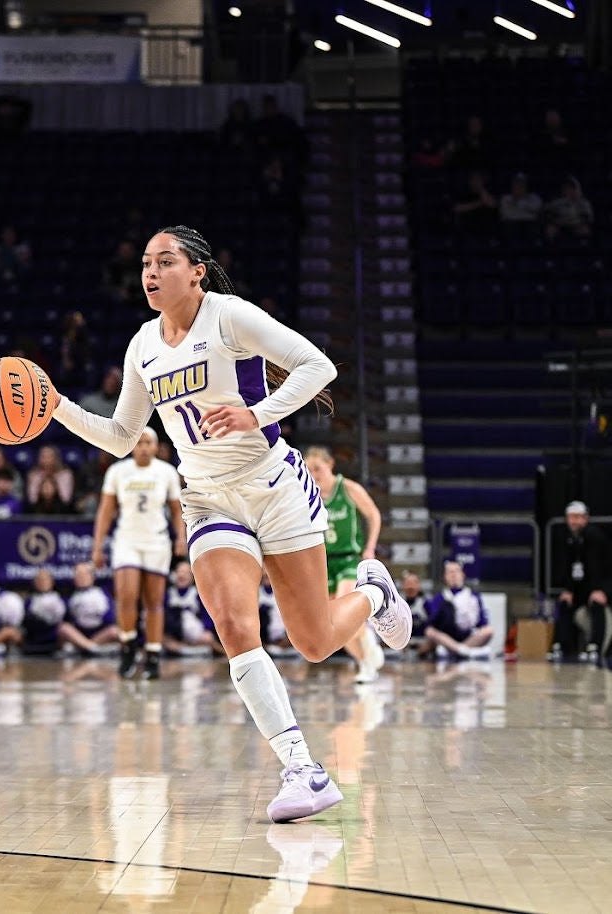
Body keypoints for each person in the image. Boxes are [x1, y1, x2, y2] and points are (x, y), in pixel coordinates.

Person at [48, 224, 413, 823]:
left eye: (165, 261)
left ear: (196, 271)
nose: (151, 272)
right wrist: (57, 407)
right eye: (145, 262)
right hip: (208, 499)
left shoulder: (228, 316)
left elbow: (316, 367)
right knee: (235, 624)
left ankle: (373, 592)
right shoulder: (142, 345)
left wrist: (256, 413)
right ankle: (302, 768)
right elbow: (119, 437)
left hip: (273, 486)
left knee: (315, 643)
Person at [92, 428, 186, 680]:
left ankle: (153, 654)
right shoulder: (118, 471)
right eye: (139, 442)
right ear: (132, 446)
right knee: (127, 596)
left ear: (156, 447)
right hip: (127, 541)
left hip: (157, 542)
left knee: (154, 601)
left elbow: (177, 510)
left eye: (148, 443)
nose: (143, 447)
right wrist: (97, 546)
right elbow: (105, 511)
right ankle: (128, 645)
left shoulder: (166, 472)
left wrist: (181, 537)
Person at [304, 446, 387, 685]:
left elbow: (373, 514)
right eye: (309, 469)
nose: (314, 474)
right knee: (332, 623)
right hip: (324, 562)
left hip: (350, 558)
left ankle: (369, 645)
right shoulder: (307, 494)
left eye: (317, 468)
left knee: (342, 605)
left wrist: (370, 546)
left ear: (330, 464)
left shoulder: (348, 488)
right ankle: (365, 661)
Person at [550, 501, 612, 662]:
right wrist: (568, 589)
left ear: (585, 518)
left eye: (576, 517)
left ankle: (595, 645)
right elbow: (570, 568)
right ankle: (560, 644)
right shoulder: (569, 539)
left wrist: (601, 590)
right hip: (581, 586)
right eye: (569, 517)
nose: (572, 521)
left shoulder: (594, 536)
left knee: (596, 604)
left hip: (602, 584)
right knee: (565, 603)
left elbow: (599, 568)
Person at [419, 560, 494, 660]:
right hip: (447, 637)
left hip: (468, 636)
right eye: (450, 572)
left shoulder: (473, 596)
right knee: (430, 632)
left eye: (457, 571)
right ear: (445, 576)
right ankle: (463, 651)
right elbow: (432, 623)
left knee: (488, 631)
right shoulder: (439, 597)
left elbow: (482, 622)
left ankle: (455, 651)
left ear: (463, 574)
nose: (454, 575)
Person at [163, 558, 223, 656]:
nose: (182, 575)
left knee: (208, 638)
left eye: (186, 573)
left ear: (192, 577)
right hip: (175, 634)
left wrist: (207, 629)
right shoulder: (169, 594)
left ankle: (222, 653)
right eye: (179, 572)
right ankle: (188, 650)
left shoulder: (196, 594)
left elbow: (207, 613)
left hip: (196, 634)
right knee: (163, 640)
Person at [61, 562, 118, 655]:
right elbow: (68, 619)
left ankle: (85, 648)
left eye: (84, 574)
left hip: (100, 634)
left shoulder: (102, 593)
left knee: (115, 631)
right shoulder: (70, 596)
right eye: (78, 575)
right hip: (79, 635)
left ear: (92, 576)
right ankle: (92, 648)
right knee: (63, 628)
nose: (81, 578)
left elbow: (110, 618)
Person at [21, 568, 67, 656]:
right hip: (34, 639)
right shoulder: (29, 601)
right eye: (39, 580)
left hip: (56, 638)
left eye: (45, 579)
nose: (43, 582)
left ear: (52, 582)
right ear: (34, 583)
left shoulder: (61, 600)